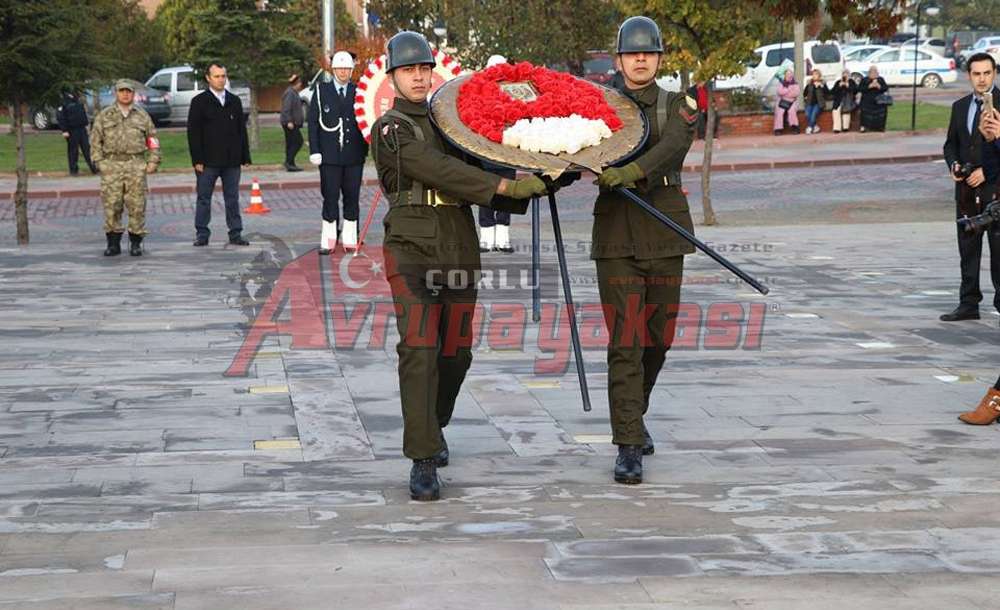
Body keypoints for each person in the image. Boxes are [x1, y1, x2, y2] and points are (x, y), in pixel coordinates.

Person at [370, 31, 549, 501]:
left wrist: (544, 171)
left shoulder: (452, 123)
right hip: (410, 248)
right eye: (409, 69)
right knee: (420, 348)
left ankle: (434, 423)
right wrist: (507, 190)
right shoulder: (390, 128)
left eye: (424, 68)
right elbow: (440, 170)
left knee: (456, 352)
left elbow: (491, 153)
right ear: (393, 76)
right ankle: (423, 457)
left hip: (457, 247)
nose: (418, 76)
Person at [595, 16, 698, 485]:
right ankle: (628, 442)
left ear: (658, 59)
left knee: (658, 337)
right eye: (632, 53)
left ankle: (636, 412)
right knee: (626, 340)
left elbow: (673, 149)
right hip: (616, 234)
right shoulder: (599, 107)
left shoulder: (678, 105)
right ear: (619, 59)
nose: (640, 59)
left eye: (648, 53)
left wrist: (629, 172)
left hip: (664, 228)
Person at [941, 52, 1000, 322]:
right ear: (969, 76)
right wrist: (953, 165)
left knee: (998, 251)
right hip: (965, 191)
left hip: (995, 191)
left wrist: (985, 171)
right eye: (976, 74)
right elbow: (950, 144)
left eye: (986, 73)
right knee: (968, 247)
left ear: (994, 73)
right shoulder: (960, 106)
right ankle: (968, 303)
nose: (982, 79)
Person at [89, 80, 161, 257]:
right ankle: (113, 243)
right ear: (116, 93)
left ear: (133, 93)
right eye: (122, 91)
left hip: (135, 164)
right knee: (112, 205)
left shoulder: (142, 116)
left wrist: (153, 160)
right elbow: (95, 141)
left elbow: (152, 139)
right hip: (111, 165)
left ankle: (136, 243)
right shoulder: (105, 116)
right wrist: (99, 163)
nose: (125, 94)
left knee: (137, 205)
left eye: (128, 91)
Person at [187, 62, 251, 247]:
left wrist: (245, 156)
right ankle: (202, 233)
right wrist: (197, 159)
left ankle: (235, 232)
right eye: (217, 76)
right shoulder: (199, 102)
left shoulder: (234, 101)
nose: (221, 80)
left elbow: (241, 130)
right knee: (204, 198)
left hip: (231, 161)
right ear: (208, 78)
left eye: (223, 76)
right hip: (207, 161)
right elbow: (193, 132)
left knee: (232, 198)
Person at [309, 51, 368, 254]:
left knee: (352, 196)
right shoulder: (320, 91)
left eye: (347, 69)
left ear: (352, 70)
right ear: (333, 70)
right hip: (330, 156)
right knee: (330, 196)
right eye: (340, 68)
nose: (343, 72)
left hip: (354, 155)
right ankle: (328, 239)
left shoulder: (359, 91)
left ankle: (350, 238)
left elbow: (366, 121)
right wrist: (315, 150)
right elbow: (313, 124)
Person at [478, 54, 516, 254]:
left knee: (506, 196)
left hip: (507, 153)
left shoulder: (513, 91)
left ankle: (502, 239)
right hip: (485, 153)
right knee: (485, 196)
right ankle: (486, 239)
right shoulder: (480, 93)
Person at [57, 91, 98, 176]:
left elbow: (82, 113)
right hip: (71, 130)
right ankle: (73, 170)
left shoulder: (76, 99)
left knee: (87, 149)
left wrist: (86, 125)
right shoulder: (64, 101)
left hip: (82, 129)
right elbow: (61, 117)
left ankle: (93, 168)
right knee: (73, 151)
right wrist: (64, 130)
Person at [280, 74, 305, 172]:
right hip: (290, 123)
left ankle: (291, 163)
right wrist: (289, 121)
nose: (300, 85)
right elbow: (286, 108)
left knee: (290, 143)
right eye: (300, 83)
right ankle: (288, 161)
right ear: (297, 83)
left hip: (293, 123)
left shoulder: (293, 93)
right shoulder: (290, 93)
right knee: (298, 141)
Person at [858, 66, 889, 132]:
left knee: (882, 112)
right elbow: (860, 89)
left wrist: (879, 86)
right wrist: (869, 86)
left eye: (875, 72)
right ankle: (864, 127)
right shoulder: (864, 80)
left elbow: (885, 88)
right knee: (864, 113)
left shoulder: (880, 79)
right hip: (867, 101)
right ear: (869, 73)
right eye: (872, 72)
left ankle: (880, 127)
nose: (874, 74)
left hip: (879, 101)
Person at [773, 69, 800, 135]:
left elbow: (796, 93)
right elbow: (779, 92)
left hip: (792, 102)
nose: (789, 75)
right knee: (779, 112)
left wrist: (785, 91)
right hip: (782, 101)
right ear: (785, 75)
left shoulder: (795, 83)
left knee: (792, 111)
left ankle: (795, 127)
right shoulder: (781, 83)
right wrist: (788, 90)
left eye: (790, 74)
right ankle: (778, 129)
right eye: (787, 74)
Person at [803, 69, 828, 134]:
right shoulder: (809, 83)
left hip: (818, 103)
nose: (814, 76)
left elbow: (828, 93)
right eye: (813, 74)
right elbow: (805, 93)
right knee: (807, 114)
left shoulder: (822, 83)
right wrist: (805, 97)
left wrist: (822, 87)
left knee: (813, 114)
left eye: (816, 74)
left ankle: (810, 127)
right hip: (809, 102)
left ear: (819, 76)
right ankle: (815, 126)